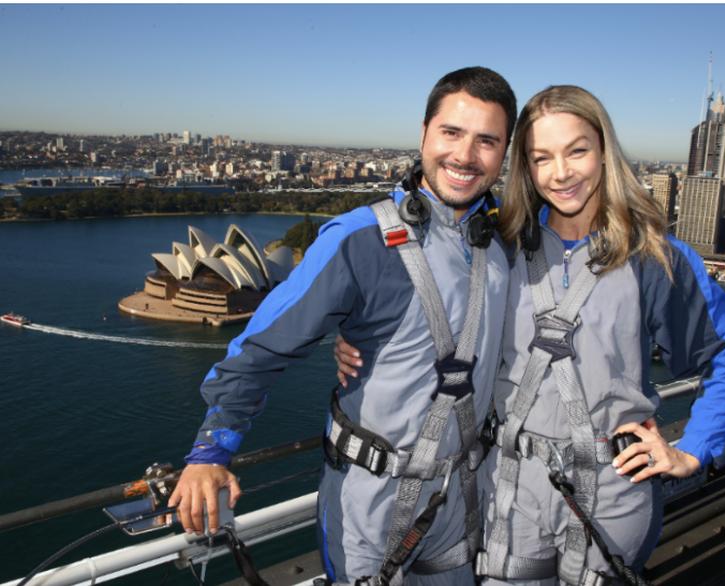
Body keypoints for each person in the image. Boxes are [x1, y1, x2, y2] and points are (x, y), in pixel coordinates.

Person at [336, 85, 725, 585]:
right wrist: (362, 341)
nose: (561, 173)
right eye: (541, 158)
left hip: (613, 490)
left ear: (604, 152)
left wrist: (694, 448)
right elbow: (441, 320)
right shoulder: (498, 246)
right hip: (513, 493)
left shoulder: (652, 257)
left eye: (577, 150)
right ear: (526, 168)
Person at [168, 66, 517, 585]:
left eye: (486, 141)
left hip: (464, 495)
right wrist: (211, 450)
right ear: (423, 134)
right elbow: (262, 349)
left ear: (504, 153)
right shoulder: (358, 240)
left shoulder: (509, 237)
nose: (465, 156)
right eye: (451, 133)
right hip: (368, 504)